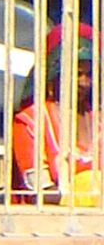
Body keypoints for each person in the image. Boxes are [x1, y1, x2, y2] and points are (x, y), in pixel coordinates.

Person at [12, 22, 99, 206]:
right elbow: (39, 191)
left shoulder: (99, 119)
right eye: (77, 74)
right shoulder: (30, 122)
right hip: (51, 225)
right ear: (54, 75)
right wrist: (83, 197)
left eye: (89, 74)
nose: (85, 82)